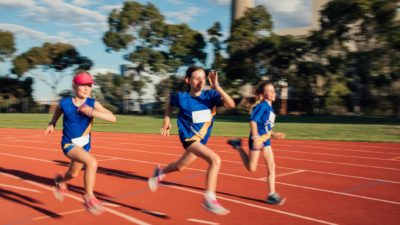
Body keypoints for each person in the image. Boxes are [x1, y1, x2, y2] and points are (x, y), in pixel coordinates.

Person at [148, 66, 235, 215]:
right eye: (196, 78)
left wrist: (217, 86)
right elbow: (170, 100)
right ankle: (209, 199)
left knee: (180, 166)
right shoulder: (182, 97)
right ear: (188, 80)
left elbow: (231, 104)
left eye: (203, 78)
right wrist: (166, 119)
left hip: (200, 141)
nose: (201, 81)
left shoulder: (211, 96)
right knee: (215, 160)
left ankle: (159, 172)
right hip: (188, 138)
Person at [44, 71, 116, 215]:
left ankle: (60, 181)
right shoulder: (65, 103)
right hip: (69, 144)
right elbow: (58, 110)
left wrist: (92, 112)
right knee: (92, 163)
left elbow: (112, 118)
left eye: (89, 85)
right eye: (83, 85)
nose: (87, 88)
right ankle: (89, 196)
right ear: (74, 86)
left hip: (84, 146)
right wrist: (52, 123)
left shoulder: (92, 103)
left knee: (73, 174)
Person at [227, 80, 286, 205]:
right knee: (251, 168)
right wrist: (255, 138)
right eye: (269, 91)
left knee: (272, 166)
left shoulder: (270, 108)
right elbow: (253, 122)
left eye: (273, 90)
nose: (272, 92)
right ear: (263, 94)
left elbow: (266, 126)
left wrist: (274, 134)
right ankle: (237, 146)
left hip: (266, 139)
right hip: (257, 139)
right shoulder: (262, 106)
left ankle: (271, 194)